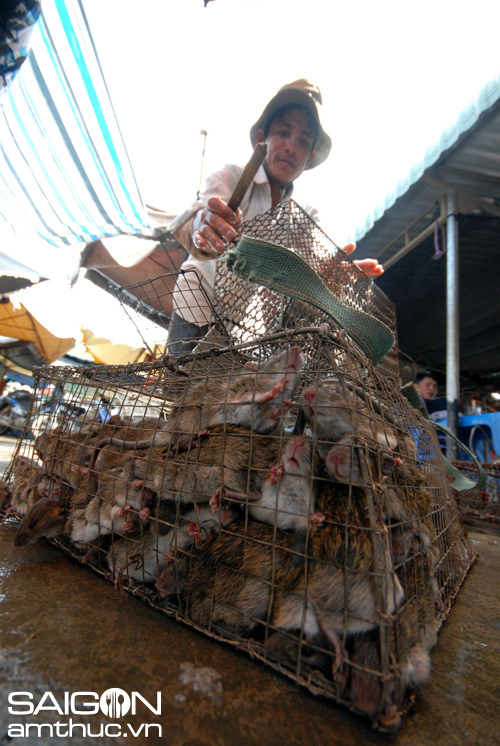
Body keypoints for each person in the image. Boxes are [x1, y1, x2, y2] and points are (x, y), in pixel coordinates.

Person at [168, 79, 384, 355]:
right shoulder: (231, 176)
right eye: (283, 132)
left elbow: (305, 273)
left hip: (235, 326)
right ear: (262, 139)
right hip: (194, 307)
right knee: (180, 388)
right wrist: (209, 224)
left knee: (212, 394)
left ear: (308, 159)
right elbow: (200, 217)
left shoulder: (303, 217)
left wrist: (330, 274)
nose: (291, 147)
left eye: (303, 140)